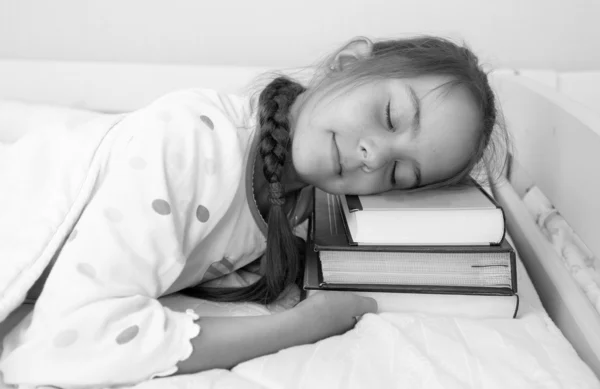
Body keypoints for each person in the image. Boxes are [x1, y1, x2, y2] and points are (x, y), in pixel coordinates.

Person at [0, 35, 506, 387]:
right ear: (348, 64)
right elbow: (74, 338)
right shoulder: (196, 142)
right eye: (390, 115)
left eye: (399, 174)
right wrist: (306, 325)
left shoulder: (299, 202)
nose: (374, 156)